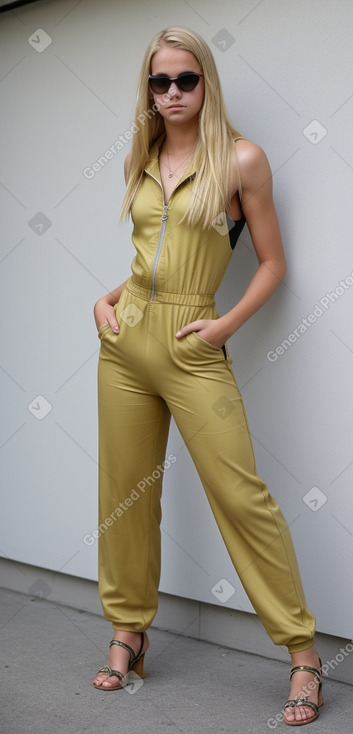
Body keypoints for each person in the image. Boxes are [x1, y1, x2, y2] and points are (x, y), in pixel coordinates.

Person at [92, 26, 323, 726]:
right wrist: (106, 297)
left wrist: (223, 327)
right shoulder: (141, 152)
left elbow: (275, 264)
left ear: (206, 83)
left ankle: (304, 654)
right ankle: (129, 630)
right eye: (158, 82)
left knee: (240, 494)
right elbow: (146, 262)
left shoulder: (242, 159)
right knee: (125, 496)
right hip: (125, 342)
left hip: (196, 344)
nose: (171, 94)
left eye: (184, 80)